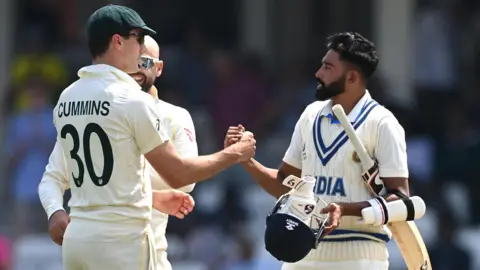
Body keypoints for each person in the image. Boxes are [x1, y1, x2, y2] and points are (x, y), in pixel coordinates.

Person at [39, 4, 255, 270]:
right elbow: (178, 174)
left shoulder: (68, 97)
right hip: (123, 241)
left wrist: (151, 197)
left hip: (79, 239)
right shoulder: (131, 100)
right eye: (138, 39)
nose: (141, 49)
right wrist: (234, 153)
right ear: (118, 41)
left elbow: (108, 179)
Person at [225, 32, 409, 270]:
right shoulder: (310, 115)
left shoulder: (382, 123)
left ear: (352, 77)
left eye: (328, 68)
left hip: (360, 254)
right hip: (302, 252)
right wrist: (246, 161)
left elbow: (401, 199)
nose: (318, 73)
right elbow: (286, 185)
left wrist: (345, 210)